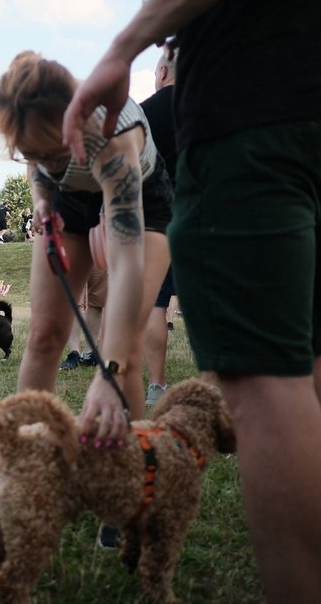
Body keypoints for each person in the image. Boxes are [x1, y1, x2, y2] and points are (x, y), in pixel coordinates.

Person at [61, 0, 321, 601]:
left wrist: (124, 44)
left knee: (265, 377)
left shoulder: (154, 117)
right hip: (319, 105)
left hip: (249, 118)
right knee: (315, 351)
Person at [0, 51, 172, 438]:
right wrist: (43, 202)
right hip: (71, 200)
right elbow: (38, 164)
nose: (42, 162)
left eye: (52, 154)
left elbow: (127, 267)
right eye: (30, 153)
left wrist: (108, 373)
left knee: (122, 348)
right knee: (44, 335)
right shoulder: (38, 131)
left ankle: (126, 467)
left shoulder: (112, 139)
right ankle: (25, 461)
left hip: (143, 197)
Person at [140, 42, 179, 406]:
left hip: (156, 219)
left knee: (155, 302)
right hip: (203, 214)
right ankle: (213, 382)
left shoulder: (142, 114)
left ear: (163, 72)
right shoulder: (206, 106)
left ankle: (156, 385)